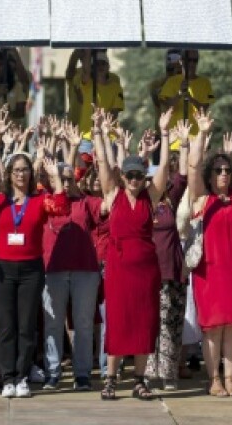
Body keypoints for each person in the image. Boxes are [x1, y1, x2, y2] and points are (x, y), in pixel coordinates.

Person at [0, 138, 69, 399]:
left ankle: (23, 376)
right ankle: (7, 378)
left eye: (24, 169)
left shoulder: (39, 201)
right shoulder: (0, 199)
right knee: (6, 325)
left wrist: (55, 177)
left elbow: (61, 206)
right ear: (8, 173)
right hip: (1, 268)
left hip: (30, 269)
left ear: (31, 172)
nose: (20, 174)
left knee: (26, 326)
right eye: (15, 170)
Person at [93, 110, 170, 400]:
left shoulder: (151, 197)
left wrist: (164, 134)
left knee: (144, 321)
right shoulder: (112, 194)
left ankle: (139, 379)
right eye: (130, 175)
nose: (135, 179)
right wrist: (99, 132)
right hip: (118, 267)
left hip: (146, 270)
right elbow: (102, 163)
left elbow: (163, 172)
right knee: (118, 320)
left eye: (140, 175)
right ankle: (111, 379)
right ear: (123, 176)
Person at [186, 105, 232, 398]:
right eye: (218, 170)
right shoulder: (202, 200)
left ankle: (231, 379)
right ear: (210, 174)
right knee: (214, 329)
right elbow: (192, 170)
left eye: (228, 170)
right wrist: (201, 135)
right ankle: (214, 378)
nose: (224, 174)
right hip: (211, 273)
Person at [39, 119, 101, 392]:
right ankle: (53, 371)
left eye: (68, 179)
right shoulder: (46, 204)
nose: (64, 184)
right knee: (52, 323)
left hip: (85, 270)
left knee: (84, 324)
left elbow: (75, 181)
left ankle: (82, 373)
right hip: (53, 270)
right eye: (59, 180)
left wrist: (74, 147)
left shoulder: (86, 202)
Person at [145, 115, 190, 391]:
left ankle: (170, 373)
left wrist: (183, 143)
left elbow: (182, 173)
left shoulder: (171, 199)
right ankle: (150, 372)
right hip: (149, 273)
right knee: (151, 323)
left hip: (172, 271)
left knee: (171, 325)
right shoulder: (143, 202)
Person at [154, 49, 214, 150]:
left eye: (195, 60)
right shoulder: (172, 81)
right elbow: (168, 106)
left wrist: (191, 98)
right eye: (188, 60)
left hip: (196, 139)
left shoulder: (204, 82)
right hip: (175, 141)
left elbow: (204, 108)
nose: (191, 63)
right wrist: (179, 94)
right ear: (181, 61)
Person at [67, 49, 124, 142]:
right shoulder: (85, 80)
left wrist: (102, 126)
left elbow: (115, 111)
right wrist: (84, 51)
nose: (100, 67)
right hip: (84, 133)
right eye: (97, 64)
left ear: (108, 66)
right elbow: (81, 72)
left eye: (103, 64)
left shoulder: (114, 82)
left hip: (107, 135)